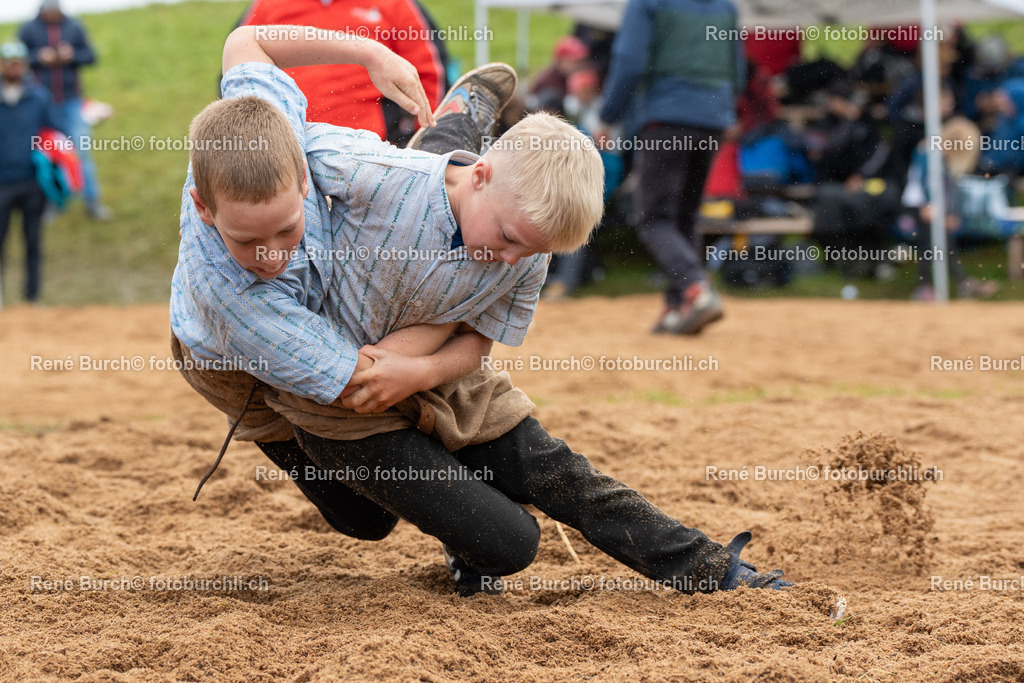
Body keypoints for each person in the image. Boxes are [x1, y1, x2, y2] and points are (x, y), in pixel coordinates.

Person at [171, 26, 792, 597]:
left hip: (417, 333)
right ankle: (449, 141)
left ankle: (713, 571)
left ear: (302, 182)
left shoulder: (307, 154)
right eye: (251, 239)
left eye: (284, 228)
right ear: (206, 209)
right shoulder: (245, 279)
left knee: (549, 467)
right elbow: (358, 378)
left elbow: (247, 42)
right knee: (369, 522)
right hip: (281, 371)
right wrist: (430, 342)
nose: (510, 258)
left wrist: (371, 53)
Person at [595, 0, 744, 335]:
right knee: (684, 216)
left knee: (653, 218)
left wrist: (607, 116)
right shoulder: (724, 6)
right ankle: (678, 309)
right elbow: (737, 67)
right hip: (713, 119)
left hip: (666, 117)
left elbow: (629, 61)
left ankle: (696, 289)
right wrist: (727, 109)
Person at [239, 0, 445, 145]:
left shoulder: (395, 4)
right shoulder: (268, 5)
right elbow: (242, 76)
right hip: (289, 147)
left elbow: (428, 75)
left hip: (373, 147)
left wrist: (419, 140)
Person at [18, 0, 108, 220]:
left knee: (81, 152)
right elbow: (16, 60)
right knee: (48, 155)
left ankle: (92, 201)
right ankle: (54, 201)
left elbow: (90, 56)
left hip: (71, 101)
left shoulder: (74, 27)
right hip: (42, 105)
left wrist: (72, 55)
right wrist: (39, 57)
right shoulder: (28, 29)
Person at [0, 41, 58, 305]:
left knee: (33, 242)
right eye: (8, 62)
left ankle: (32, 298)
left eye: (17, 62)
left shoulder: (38, 97)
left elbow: (53, 134)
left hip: (32, 181)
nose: (13, 67)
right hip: (1, 183)